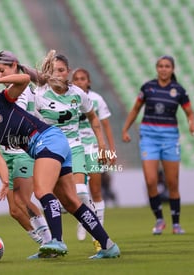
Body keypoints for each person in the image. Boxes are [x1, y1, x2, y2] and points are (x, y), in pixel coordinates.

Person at [0, 66, 120, 259]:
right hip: (48, 147)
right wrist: (4, 182)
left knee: (42, 191)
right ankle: (108, 246)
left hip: (48, 140)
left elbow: (24, 79)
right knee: (71, 202)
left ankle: (56, 241)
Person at [33, 52, 106, 247]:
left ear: (68, 72)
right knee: (49, 197)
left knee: (81, 192)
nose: (57, 74)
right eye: (54, 70)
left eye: (61, 70)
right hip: (50, 151)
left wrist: (102, 144)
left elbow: (93, 117)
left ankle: (98, 236)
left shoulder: (77, 94)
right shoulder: (39, 94)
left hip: (74, 147)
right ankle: (56, 240)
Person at [122, 55, 194, 235]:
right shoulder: (148, 87)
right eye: (160, 66)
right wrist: (125, 129)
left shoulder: (178, 90)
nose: (163, 69)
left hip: (170, 139)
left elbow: (189, 112)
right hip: (149, 138)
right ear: (156, 68)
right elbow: (135, 109)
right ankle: (159, 220)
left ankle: (176, 224)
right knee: (151, 181)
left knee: (173, 183)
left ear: (172, 69)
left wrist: (192, 124)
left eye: (167, 66)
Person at [0, 50, 51, 246]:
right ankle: (43, 243)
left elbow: (16, 120)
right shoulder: (8, 91)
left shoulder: (22, 90)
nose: (0, 76)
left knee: (23, 200)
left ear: (14, 66)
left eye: (2, 71)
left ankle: (50, 241)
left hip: (22, 152)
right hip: (8, 152)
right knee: (15, 210)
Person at [71, 67, 117, 251]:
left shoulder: (97, 100)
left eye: (83, 78)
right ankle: (85, 220)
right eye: (76, 79)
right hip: (74, 146)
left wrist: (110, 151)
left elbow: (106, 126)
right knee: (80, 191)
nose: (80, 81)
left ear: (88, 82)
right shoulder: (69, 98)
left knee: (96, 190)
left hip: (92, 147)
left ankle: (99, 230)